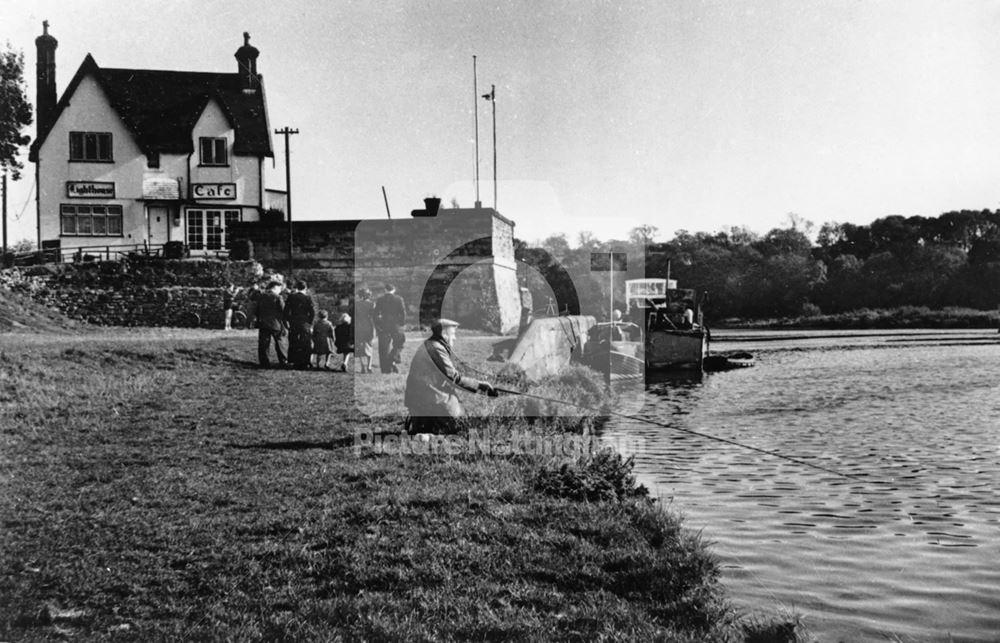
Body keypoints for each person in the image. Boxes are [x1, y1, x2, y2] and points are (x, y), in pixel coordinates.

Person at [404, 318, 498, 435]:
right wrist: (480, 386)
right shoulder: (436, 348)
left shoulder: (432, 344)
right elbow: (454, 378)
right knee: (461, 423)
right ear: (444, 334)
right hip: (428, 397)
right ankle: (423, 425)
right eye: (453, 334)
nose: (455, 338)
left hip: (421, 397)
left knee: (458, 415)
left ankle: (420, 423)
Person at [374, 283, 406, 373]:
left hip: (384, 325)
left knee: (383, 348)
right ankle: (393, 358)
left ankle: (385, 369)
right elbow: (403, 312)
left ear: (385, 290)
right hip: (396, 325)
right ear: (394, 290)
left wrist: (378, 325)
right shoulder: (399, 299)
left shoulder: (380, 299)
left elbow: (375, 313)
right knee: (399, 344)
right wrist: (402, 323)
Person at [284, 280, 315, 369]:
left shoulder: (291, 297)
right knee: (305, 342)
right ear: (305, 288)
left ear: (296, 287)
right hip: (304, 322)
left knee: (294, 341)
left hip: (293, 322)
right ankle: (305, 361)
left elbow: (286, 311)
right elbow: (312, 312)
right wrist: (309, 323)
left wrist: (289, 320)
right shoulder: (308, 298)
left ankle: (294, 360)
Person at [256, 281, 287, 368]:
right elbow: (283, 311)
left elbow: (257, 310)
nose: (280, 290)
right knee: (280, 343)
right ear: (275, 287)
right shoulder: (278, 297)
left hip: (263, 322)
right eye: (279, 288)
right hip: (275, 323)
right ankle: (283, 361)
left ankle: (264, 362)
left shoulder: (261, 296)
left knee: (264, 344)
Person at [353, 287, 376, 374]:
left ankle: (363, 366)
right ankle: (369, 366)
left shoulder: (356, 304)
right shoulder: (372, 304)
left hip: (359, 327)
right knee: (370, 346)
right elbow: (374, 316)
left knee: (359, 347)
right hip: (369, 326)